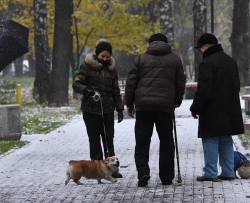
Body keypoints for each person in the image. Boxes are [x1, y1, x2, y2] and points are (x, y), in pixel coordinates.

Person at [125, 33, 186, 187]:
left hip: (144, 106)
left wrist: (129, 103)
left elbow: (131, 82)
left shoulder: (140, 59)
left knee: (142, 141)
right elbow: (180, 82)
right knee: (166, 141)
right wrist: (177, 101)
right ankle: (166, 177)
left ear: (150, 43)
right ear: (166, 43)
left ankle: (143, 173)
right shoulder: (175, 59)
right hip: (165, 106)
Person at [190, 33, 244, 182]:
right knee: (226, 139)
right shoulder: (230, 61)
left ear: (206, 46)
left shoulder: (207, 63)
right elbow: (237, 85)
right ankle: (228, 172)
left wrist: (195, 107)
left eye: (200, 48)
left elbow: (204, 90)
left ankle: (210, 172)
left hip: (211, 109)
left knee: (210, 140)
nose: (200, 51)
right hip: (229, 108)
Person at [72, 39, 124, 178]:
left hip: (107, 109)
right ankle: (97, 170)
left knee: (108, 139)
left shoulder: (111, 70)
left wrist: (119, 108)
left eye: (107, 57)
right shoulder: (86, 66)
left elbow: (115, 90)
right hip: (90, 110)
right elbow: (76, 85)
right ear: (97, 54)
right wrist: (87, 91)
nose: (105, 59)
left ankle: (112, 169)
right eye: (103, 56)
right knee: (94, 140)